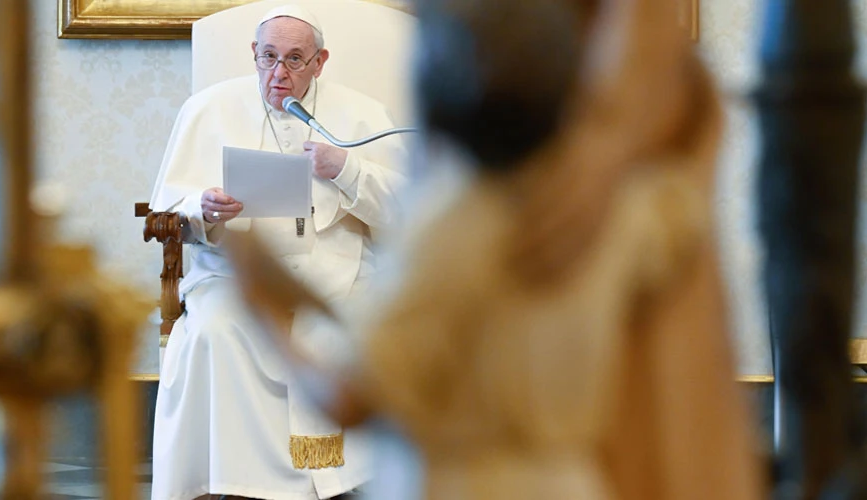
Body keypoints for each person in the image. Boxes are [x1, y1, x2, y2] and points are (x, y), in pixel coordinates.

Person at [226, 0, 766, 498]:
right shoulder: (620, 216)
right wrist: (621, 140)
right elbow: (685, 191)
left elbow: (352, 396)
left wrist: (265, 304)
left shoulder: (450, 232)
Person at [147, 4, 407, 499]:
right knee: (217, 331)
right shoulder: (207, 109)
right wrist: (203, 208)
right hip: (234, 274)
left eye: (293, 59)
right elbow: (166, 209)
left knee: (339, 333)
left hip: (338, 272)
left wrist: (347, 170)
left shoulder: (363, 115)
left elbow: (407, 212)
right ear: (253, 54)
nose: (278, 74)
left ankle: (336, 482)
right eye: (268, 58)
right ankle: (232, 479)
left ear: (320, 61)